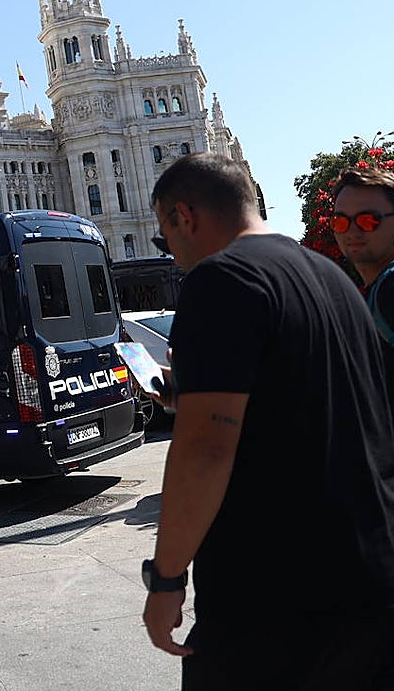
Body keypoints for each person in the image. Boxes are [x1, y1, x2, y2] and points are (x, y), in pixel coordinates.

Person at [141, 153, 394, 689]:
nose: (173, 253)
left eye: (166, 237)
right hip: (370, 575)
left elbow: (205, 449)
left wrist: (166, 578)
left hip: (279, 594)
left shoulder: (221, 279)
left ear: (184, 216)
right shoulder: (333, 279)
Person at [332, 165, 394, 396]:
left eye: (368, 220)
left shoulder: (390, 288)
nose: (352, 231)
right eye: (341, 221)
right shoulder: (378, 290)